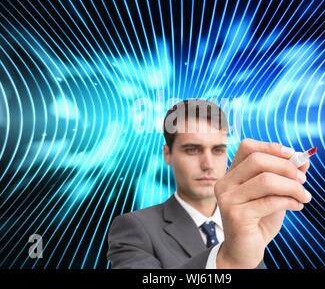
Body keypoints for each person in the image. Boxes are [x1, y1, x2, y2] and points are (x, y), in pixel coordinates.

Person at [107, 99, 311, 268]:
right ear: (167, 154)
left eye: (218, 150)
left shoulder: (262, 227)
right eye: (192, 149)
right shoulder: (134, 228)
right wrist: (227, 261)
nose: (208, 165)